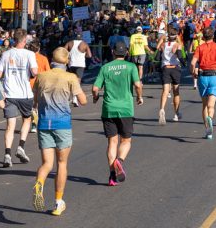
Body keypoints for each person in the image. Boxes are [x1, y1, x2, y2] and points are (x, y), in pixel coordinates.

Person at [32, 48, 85, 216]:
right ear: (67, 61)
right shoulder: (70, 77)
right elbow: (83, 101)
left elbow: (35, 99)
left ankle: (39, 183)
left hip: (44, 123)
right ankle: (58, 202)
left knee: (47, 163)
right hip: (62, 123)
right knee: (61, 164)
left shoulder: (41, 76)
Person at [92, 41, 141, 184]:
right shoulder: (131, 67)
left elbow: (95, 88)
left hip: (109, 109)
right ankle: (119, 161)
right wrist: (139, 97)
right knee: (126, 140)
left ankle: (112, 176)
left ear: (113, 52)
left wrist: (95, 98)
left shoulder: (105, 67)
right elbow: (138, 85)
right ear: (126, 52)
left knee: (112, 142)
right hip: (125, 108)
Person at [0, 29, 38, 168]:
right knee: (27, 119)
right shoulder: (30, 54)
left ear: (14, 39)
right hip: (25, 93)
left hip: (10, 94)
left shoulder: (6, 54)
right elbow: (35, 72)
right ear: (24, 41)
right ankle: (21, 146)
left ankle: (7, 154)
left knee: (10, 125)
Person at [192, 30, 216, 140]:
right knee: (212, 105)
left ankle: (207, 129)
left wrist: (194, 72)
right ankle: (210, 119)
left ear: (204, 37)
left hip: (203, 76)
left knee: (204, 105)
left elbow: (193, 62)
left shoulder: (200, 47)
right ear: (213, 36)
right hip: (214, 75)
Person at [156, 30, 182, 124]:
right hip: (175, 68)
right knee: (176, 92)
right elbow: (179, 56)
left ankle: (162, 109)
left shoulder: (163, 45)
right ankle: (176, 113)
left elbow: (157, 58)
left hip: (165, 68)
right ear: (176, 36)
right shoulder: (177, 45)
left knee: (165, 91)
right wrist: (184, 62)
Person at [128, 27, 148, 104]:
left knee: (136, 67)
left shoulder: (133, 36)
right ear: (141, 31)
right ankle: (139, 80)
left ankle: (136, 79)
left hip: (134, 52)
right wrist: (149, 51)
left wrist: (129, 52)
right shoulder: (143, 36)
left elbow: (131, 45)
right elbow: (145, 46)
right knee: (140, 66)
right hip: (142, 52)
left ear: (136, 31)